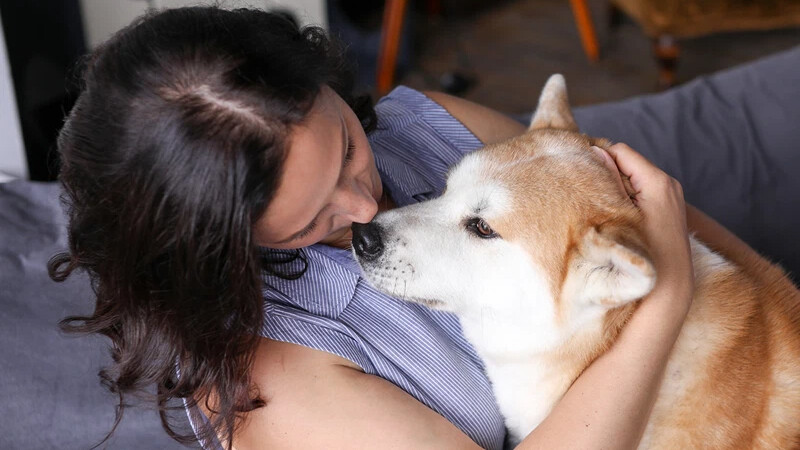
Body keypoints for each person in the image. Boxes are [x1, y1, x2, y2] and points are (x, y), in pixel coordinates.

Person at [49, 6, 761, 450]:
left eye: (349, 149)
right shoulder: (276, 383)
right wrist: (663, 300)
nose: (366, 209)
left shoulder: (427, 120)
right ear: (221, 248)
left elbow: (693, 246)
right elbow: (665, 259)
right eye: (313, 217)